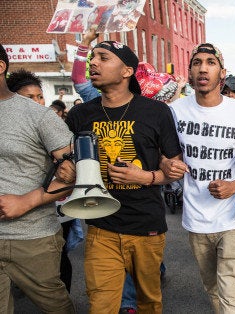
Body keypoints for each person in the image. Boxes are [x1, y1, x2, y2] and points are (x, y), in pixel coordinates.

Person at [65, 40, 183, 313]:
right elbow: (63, 158)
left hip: (146, 227)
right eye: (93, 57)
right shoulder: (81, 114)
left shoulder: (156, 112)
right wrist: (66, 167)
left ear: (127, 71)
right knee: (101, 306)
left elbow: (173, 166)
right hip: (99, 226)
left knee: (148, 303)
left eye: (103, 58)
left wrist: (147, 177)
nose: (94, 63)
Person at [164, 42, 235, 314]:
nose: (203, 68)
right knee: (213, 289)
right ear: (189, 72)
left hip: (232, 218)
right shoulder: (175, 112)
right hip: (195, 220)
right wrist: (167, 164)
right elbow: (161, 155)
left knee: (230, 292)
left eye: (211, 62)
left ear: (222, 73)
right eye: (197, 62)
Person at [0, 43, 76, 313]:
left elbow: (76, 174)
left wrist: (27, 201)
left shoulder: (39, 115)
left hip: (32, 237)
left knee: (56, 308)